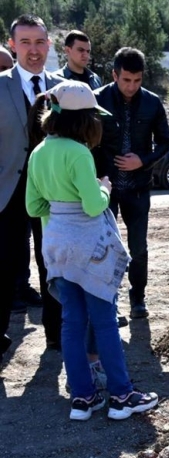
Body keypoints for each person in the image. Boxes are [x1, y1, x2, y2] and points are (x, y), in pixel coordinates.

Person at [26, 80, 158, 421]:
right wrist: (103, 188)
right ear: (83, 119)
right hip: (88, 247)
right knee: (104, 321)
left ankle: (83, 399)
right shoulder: (79, 153)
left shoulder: (39, 151)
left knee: (71, 323)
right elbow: (91, 204)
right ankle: (122, 396)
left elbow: (33, 206)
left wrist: (58, 208)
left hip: (55, 245)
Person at [0, 14, 65, 361]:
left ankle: (56, 336)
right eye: (25, 42)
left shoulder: (61, 87)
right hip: (7, 192)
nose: (33, 50)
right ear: (12, 45)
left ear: (49, 45)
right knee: (5, 265)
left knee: (51, 262)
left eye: (40, 42)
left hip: (52, 193)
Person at [93, 47, 169, 319]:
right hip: (106, 189)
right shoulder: (96, 100)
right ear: (115, 75)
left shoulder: (152, 103)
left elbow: (165, 142)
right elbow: (87, 142)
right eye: (126, 80)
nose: (131, 86)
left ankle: (138, 298)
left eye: (137, 80)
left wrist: (144, 160)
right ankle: (108, 301)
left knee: (138, 247)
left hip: (138, 187)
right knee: (106, 247)